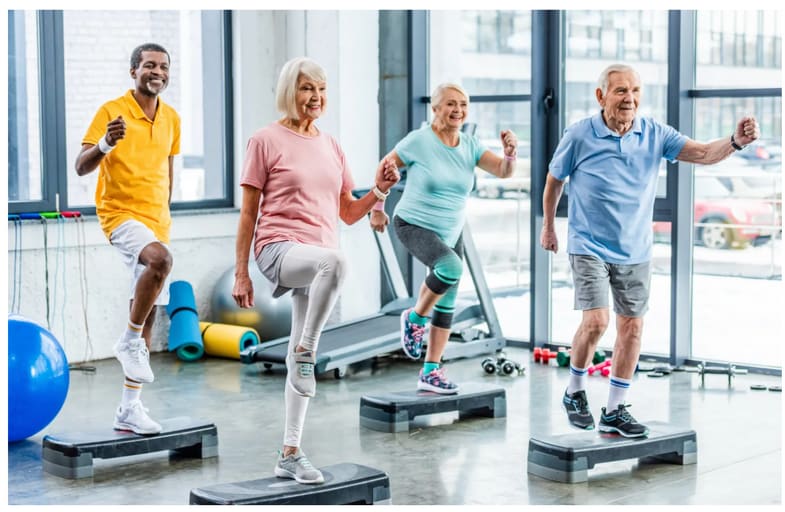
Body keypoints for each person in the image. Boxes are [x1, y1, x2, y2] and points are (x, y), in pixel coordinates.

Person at [541, 63, 760, 438]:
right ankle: (575, 390)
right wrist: (548, 227)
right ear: (601, 96)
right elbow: (554, 181)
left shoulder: (654, 133)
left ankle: (614, 410)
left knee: (633, 328)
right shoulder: (579, 134)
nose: (630, 98)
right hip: (587, 242)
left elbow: (705, 153)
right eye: (621, 91)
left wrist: (735, 142)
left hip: (635, 247)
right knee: (596, 322)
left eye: (635, 91)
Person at [232, 57, 399, 484]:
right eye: (308, 88)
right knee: (336, 264)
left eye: (322, 89)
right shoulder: (264, 140)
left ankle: (290, 452)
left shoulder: (331, 145)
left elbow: (346, 212)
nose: (316, 98)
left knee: (298, 355)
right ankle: (308, 349)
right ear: (291, 91)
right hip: (277, 248)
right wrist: (241, 272)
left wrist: (379, 190)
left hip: (318, 254)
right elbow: (248, 213)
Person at [371, 83, 518, 394]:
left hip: (451, 231)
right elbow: (384, 167)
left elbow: (504, 172)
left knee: (447, 299)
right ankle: (414, 318)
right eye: (450, 104)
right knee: (451, 268)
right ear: (435, 109)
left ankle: (430, 371)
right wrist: (378, 207)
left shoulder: (470, 145)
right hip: (412, 223)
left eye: (463, 104)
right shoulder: (419, 141)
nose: (458, 110)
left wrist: (509, 154)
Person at [75, 43, 180, 435]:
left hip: (158, 221)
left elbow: (167, 174)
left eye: (164, 66)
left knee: (148, 306)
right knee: (161, 262)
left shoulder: (171, 119)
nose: (158, 71)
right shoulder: (111, 112)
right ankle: (128, 339)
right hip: (120, 215)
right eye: (150, 65)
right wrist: (105, 143)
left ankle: (129, 409)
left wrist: (164, 217)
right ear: (134, 70)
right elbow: (81, 167)